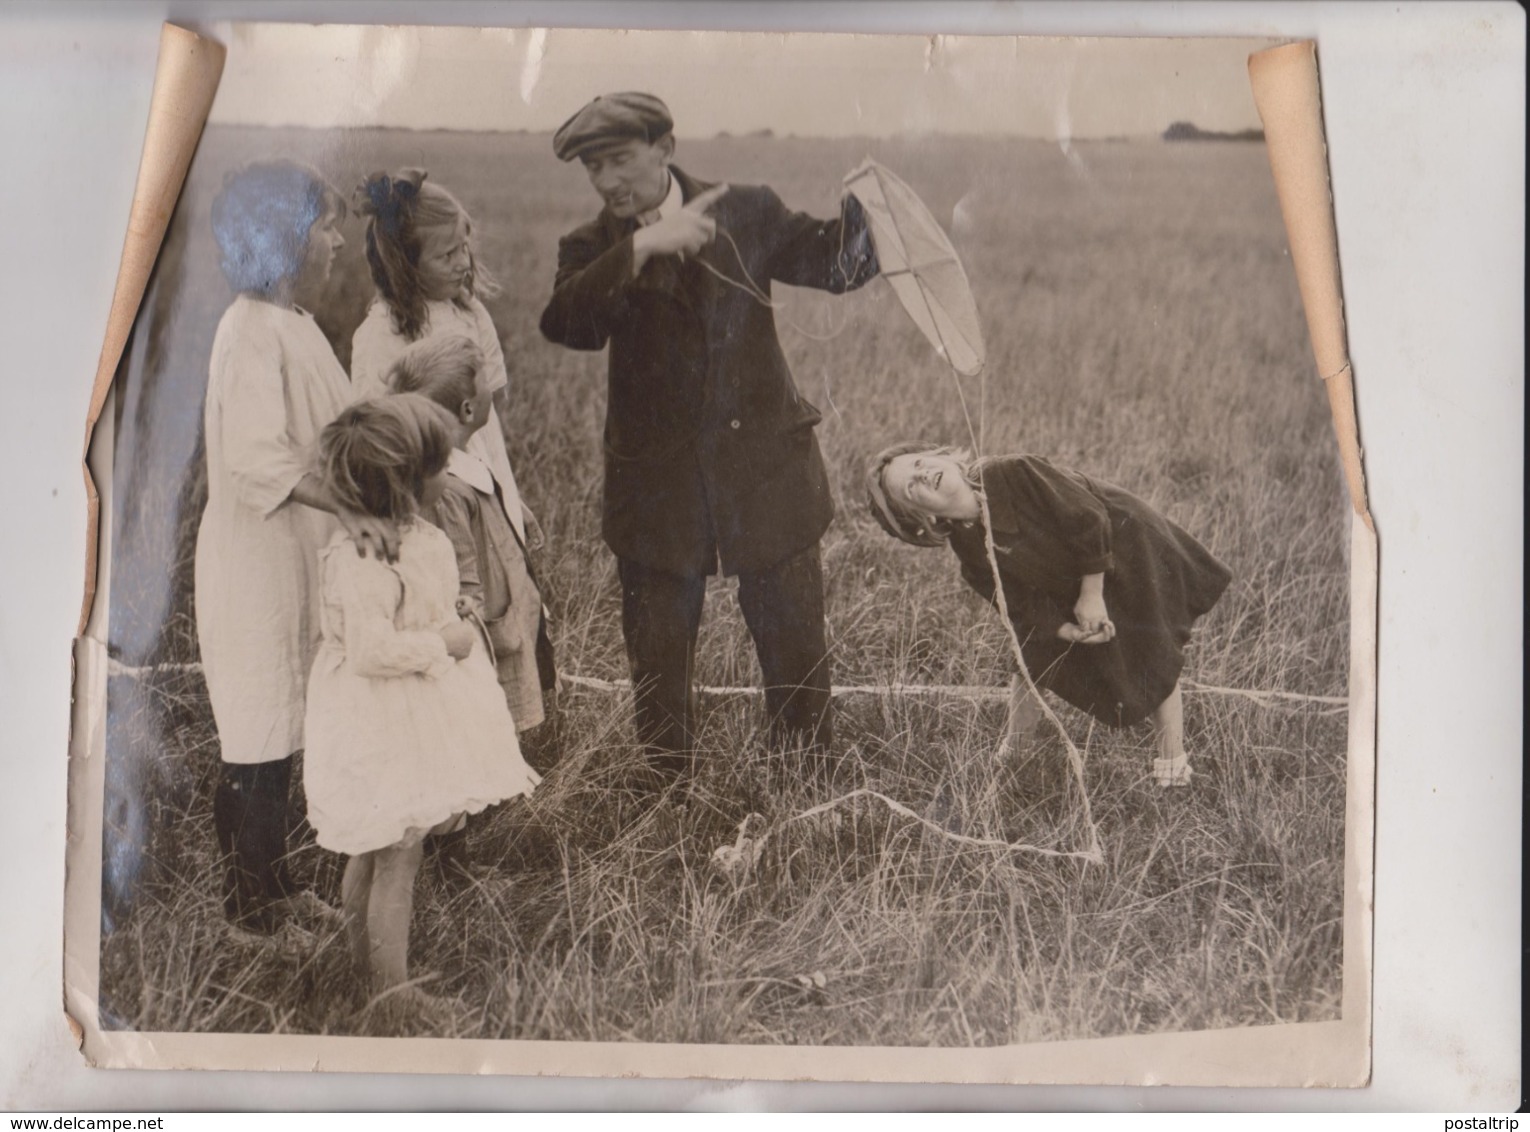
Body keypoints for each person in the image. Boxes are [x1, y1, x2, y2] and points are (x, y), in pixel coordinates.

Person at [538, 91, 880, 781]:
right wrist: (640, 248)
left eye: (620, 161)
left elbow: (838, 267)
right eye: (593, 169)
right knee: (659, 663)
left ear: (665, 148)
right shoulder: (591, 248)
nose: (607, 182)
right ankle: (668, 798)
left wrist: (872, 210)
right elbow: (567, 326)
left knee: (794, 646)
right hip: (657, 495)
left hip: (766, 475)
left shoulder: (746, 208)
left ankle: (805, 785)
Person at [195, 160, 397, 939]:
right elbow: (254, 460)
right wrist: (350, 505)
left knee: (282, 728)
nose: (338, 244)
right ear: (284, 239)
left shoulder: (297, 326)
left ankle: (273, 893)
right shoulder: (248, 329)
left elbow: (336, 429)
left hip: (294, 558)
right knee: (256, 739)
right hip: (255, 566)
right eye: (326, 227)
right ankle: (249, 917)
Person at [302, 395, 540, 1009]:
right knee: (395, 853)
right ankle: (392, 991)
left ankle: (363, 968)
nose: (452, 471)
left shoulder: (413, 537)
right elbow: (370, 649)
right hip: (382, 718)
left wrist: (448, 612)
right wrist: (444, 640)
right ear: (407, 482)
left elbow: (415, 608)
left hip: (406, 710)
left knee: (381, 846)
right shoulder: (365, 557)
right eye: (442, 464)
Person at [866, 444, 1233, 787]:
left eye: (918, 463)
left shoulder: (1010, 472)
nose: (923, 474)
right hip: (1066, 576)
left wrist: (1091, 594)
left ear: (939, 455)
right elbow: (1017, 605)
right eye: (912, 488)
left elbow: (1088, 517)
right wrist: (1064, 629)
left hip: (1122, 547)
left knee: (1150, 646)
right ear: (923, 520)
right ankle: (1015, 754)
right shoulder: (968, 548)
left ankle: (1173, 765)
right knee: (1030, 652)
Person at [387, 335, 558, 880]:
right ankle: (452, 863)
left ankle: (458, 851)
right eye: (485, 379)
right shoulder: (448, 487)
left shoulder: (462, 463)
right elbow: (460, 574)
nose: (492, 386)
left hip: (490, 623)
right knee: (461, 743)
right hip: (474, 636)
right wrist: (475, 633)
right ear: (467, 408)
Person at [349, 169, 537, 556]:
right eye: (446, 255)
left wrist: (507, 497)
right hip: (424, 490)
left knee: (499, 572)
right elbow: (378, 437)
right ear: (405, 264)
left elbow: (487, 421)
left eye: (464, 247)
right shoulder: (381, 334)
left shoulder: (471, 314)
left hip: (482, 469)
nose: (463, 262)